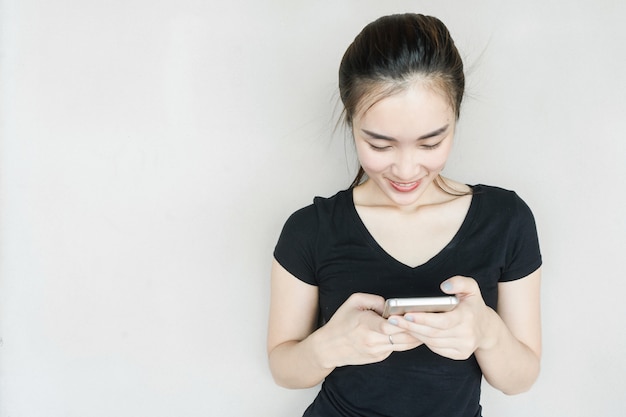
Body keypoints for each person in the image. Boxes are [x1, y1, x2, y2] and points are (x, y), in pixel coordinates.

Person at [267, 13, 542, 417]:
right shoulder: (309, 230)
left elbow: (521, 378)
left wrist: (486, 331)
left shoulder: (506, 221)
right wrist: (330, 344)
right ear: (351, 121)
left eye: (431, 143)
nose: (407, 170)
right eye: (380, 145)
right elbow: (283, 367)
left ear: (455, 120)